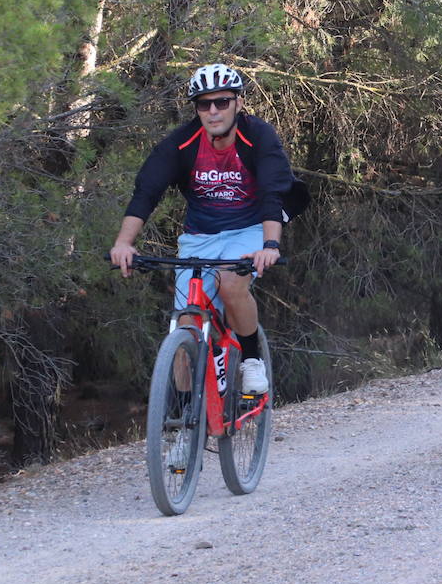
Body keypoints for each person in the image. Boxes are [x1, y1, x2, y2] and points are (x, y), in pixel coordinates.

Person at [109, 63, 302, 396]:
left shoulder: (258, 136)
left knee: (229, 283)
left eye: (222, 102)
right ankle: (189, 420)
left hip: (250, 228)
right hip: (200, 235)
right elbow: (146, 192)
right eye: (204, 104)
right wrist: (124, 244)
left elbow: (273, 192)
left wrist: (270, 244)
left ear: (238, 103)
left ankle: (252, 360)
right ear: (197, 109)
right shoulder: (182, 143)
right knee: (187, 323)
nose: (213, 111)